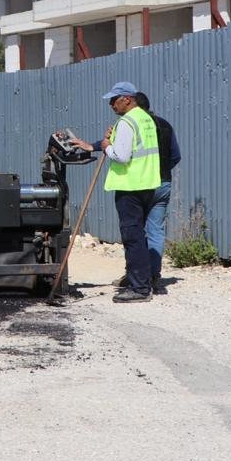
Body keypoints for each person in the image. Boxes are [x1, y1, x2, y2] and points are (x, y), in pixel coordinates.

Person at [70, 82, 161, 302]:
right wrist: (95, 145)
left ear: (127, 99)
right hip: (147, 183)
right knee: (141, 236)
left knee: (132, 237)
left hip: (130, 186)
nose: (111, 104)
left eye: (114, 100)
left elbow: (121, 155)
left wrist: (105, 146)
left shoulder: (127, 121)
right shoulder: (145, 118)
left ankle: (139, 289)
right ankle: (140, 279)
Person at [134, 91, 181, 296]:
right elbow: (175, 156)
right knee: (156, 231)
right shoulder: (165, 124)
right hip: (163, 183)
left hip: (141, 184)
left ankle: (138, 275)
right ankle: (154, 275)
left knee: (136, 231)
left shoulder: (134, 125)